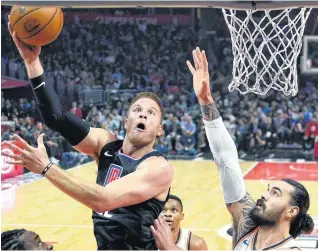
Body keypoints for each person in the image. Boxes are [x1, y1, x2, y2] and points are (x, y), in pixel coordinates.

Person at [2, 21, 173, 250]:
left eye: (151, 113)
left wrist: (46, 168)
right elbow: (56, 118)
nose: (143, 114)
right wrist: (32, 63)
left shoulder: (158, 168)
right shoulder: (106, 143)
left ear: (159, 129)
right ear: (126, 121)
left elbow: (103, 199)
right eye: (137, 110)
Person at [151, 47, 314, 250]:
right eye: (268, 190)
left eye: (275, 193)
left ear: (291, 211)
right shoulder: (248, 224)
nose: (263, 195)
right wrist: (205, 100)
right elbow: (225, 158)